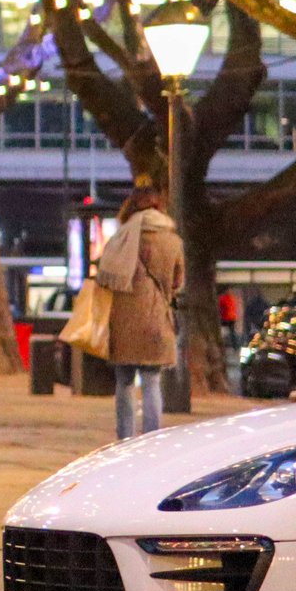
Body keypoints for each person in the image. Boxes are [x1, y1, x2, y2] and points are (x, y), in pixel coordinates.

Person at [97, 186, 185, 437]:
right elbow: (178, 282)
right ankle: (151, 438)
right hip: (156, 320)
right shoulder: (173, 240)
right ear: (158, 208)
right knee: (152, 383)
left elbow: (104, 278)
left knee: (124, 383)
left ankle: (125, 437)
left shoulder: (120, 238)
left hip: (123, 320)